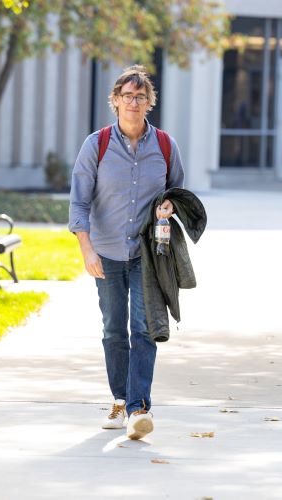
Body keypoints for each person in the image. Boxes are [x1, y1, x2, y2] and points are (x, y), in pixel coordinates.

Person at [68, 65, 184, 440]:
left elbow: (178, 193)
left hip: (149, 255)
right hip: (107, 252)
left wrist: (170, 207)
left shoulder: (165, 145)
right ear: (115, 101)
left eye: (141, 96)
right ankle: (120, 399)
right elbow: (79, 203)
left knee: (144, 328)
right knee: (113, 330)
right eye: (127, 96)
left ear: (149, 103)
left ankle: (138, 408)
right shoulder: (96, 145)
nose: (134, 102)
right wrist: (87, 250)